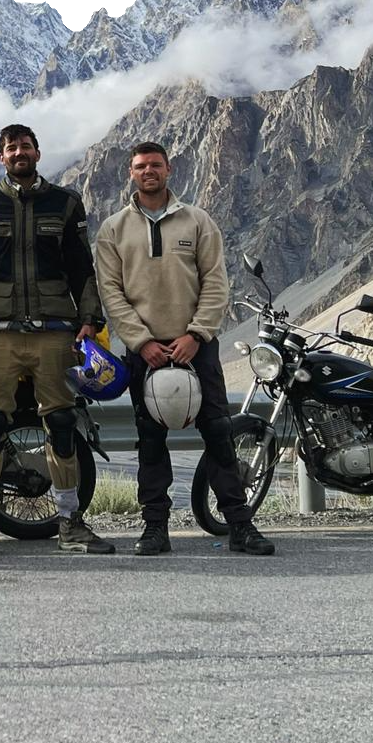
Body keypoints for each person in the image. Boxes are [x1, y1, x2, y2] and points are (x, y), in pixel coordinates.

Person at [92, 141, 274, 556]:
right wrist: (141, 343)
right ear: (131, 173)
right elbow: (112, 292)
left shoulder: (197, 221)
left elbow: (215, 282)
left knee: (218, 433)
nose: (148, 171)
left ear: (169, 169)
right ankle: (155, 528)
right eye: (140, 166)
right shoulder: (113, 229)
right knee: (150, 441)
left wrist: (196, 334)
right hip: (145, 353)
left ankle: (240, 526)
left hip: (198, 348)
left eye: (155, 165)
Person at [0, 124, 113, 558]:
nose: (19, 152)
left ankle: (70, 523)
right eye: (11, 147)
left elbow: (82, 266)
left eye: (25, 145)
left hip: (55, 333)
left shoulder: (66, 203)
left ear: (38, 152)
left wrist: (89, 318)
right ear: (0, 157)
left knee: (61, 424)